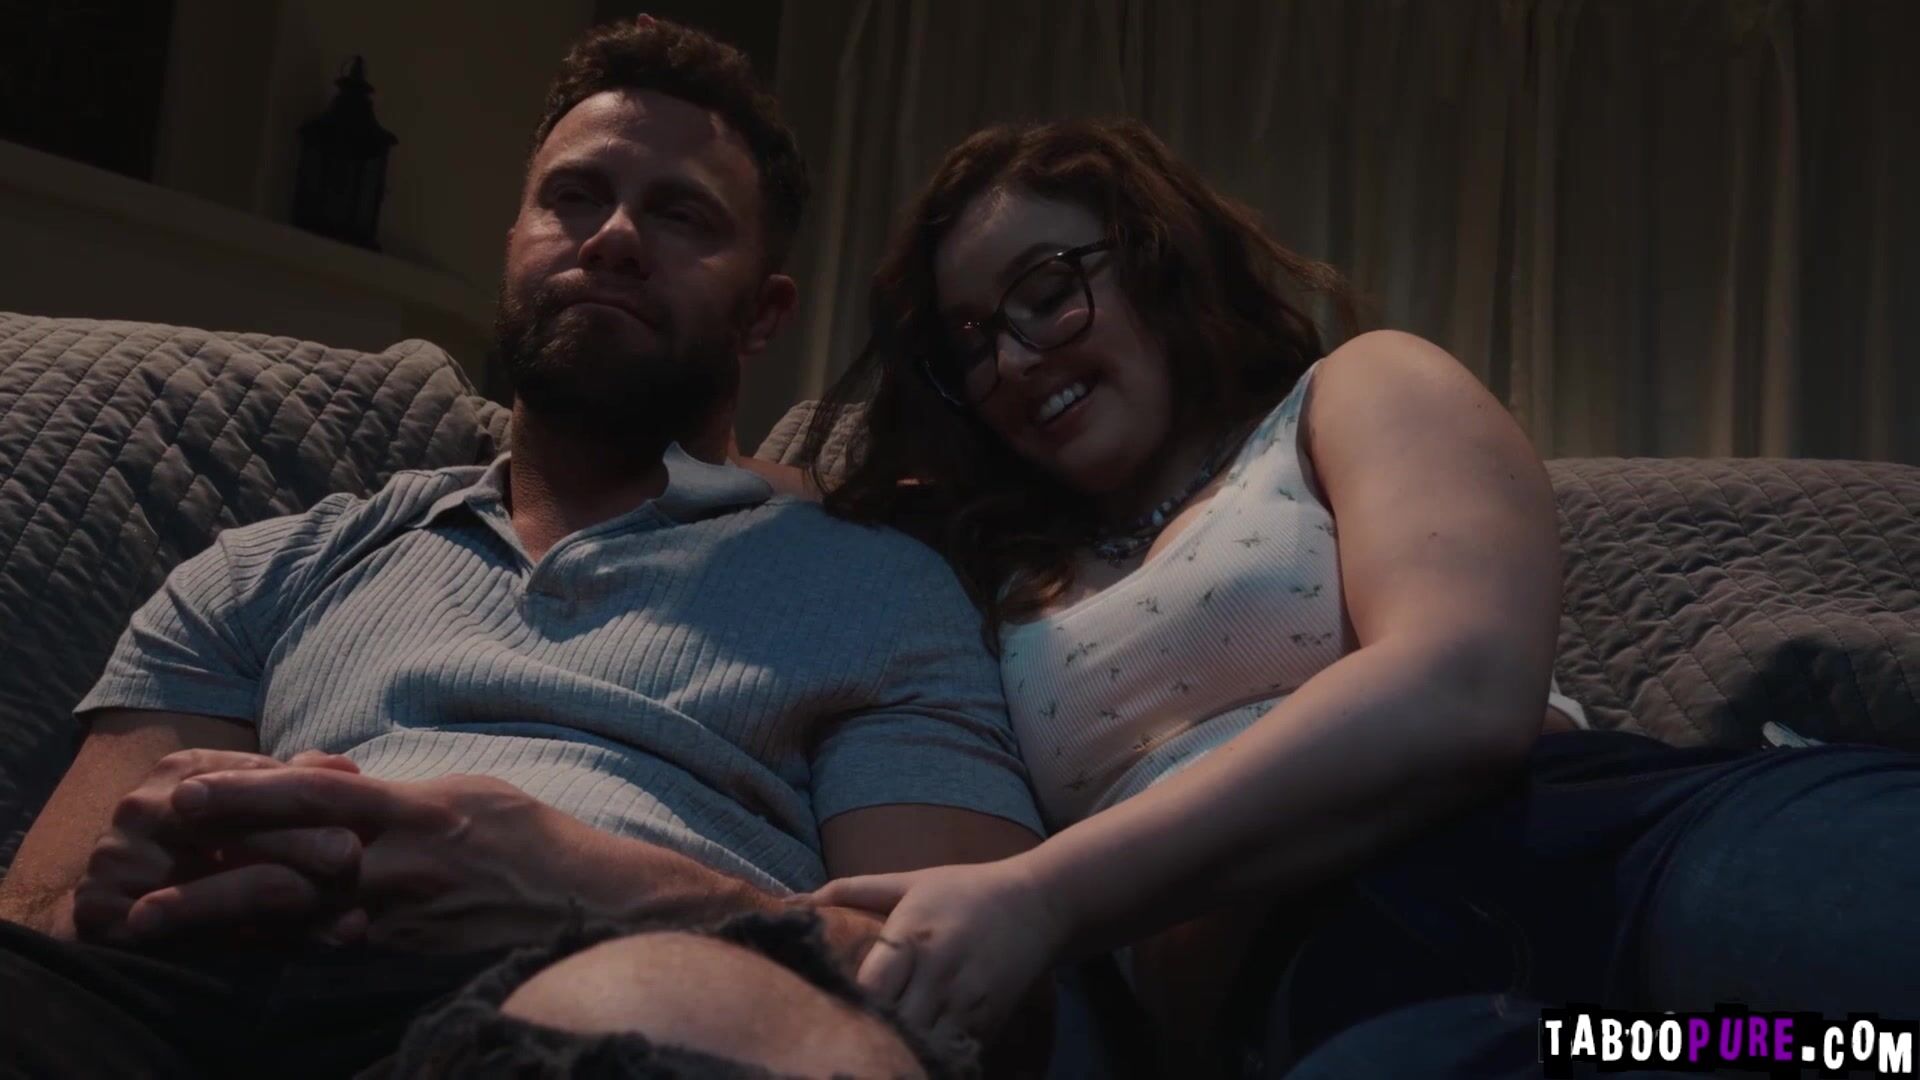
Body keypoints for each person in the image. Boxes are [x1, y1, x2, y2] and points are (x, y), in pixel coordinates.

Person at [0, 17, 1046, 1079]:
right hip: (182, 1003)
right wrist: (106, 899)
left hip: (595, 1006)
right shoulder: (268, 567)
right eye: (574, 197)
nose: (614, 237)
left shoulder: (877, 586)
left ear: (764, 314)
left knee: (645, 1005)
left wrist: (592, 891)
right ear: (515, 246)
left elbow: (971, 991)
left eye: (680, 213)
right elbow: (34, 909)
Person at [803, 118, 1920, 1076]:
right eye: (969, 344)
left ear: (1156, 260)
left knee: (1862, 1013)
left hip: (1596, 848)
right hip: (1328, 994)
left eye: (1045, 293)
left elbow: (1463, 685)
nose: (1012, 360)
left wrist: (1045, 898)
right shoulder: (973, 578)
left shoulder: (1351, 391)